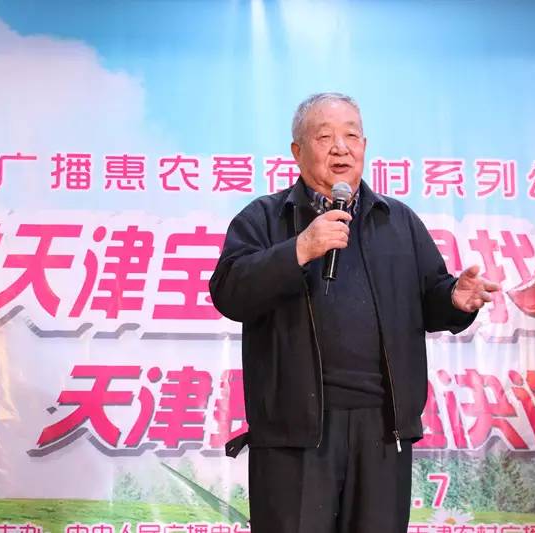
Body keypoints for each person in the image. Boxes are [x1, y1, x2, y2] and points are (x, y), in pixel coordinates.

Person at [209, 92, 500, 533]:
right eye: (325, 137)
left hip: (382, 431)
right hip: (294, 434)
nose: (341, 149)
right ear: (297, 151)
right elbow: (229, 292)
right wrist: (300, 249)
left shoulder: (397, 221)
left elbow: (430, 297)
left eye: (351, 136)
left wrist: (454, 300)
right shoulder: (265, 219)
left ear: (365, 145)